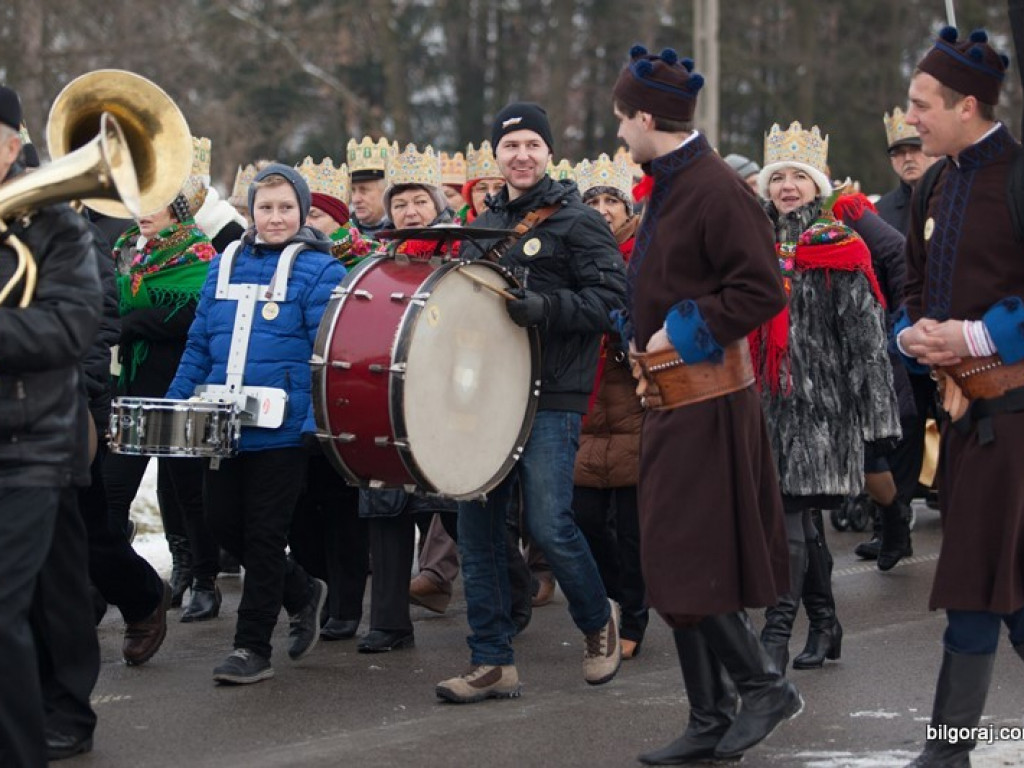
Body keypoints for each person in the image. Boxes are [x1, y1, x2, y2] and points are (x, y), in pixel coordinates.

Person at [610, 46, 800, 764]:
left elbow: (761, 289)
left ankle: (762, 687)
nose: (619, 130)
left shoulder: (716, 188)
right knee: (674, 561)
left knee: (683, 558)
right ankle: (711, 716)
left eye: (624, 118)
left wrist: (681, 330)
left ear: (649, 117)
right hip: (671, 402)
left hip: (708, 402)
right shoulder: (671, 183)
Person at [435, 101, 627, 703]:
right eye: (510, 145)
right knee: (479, 529)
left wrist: (547, 309)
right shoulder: (482, 224)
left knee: (548, 522)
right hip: (485, 396)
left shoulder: (578, 221)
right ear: (496, 155)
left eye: (531, 145)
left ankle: (598, 624)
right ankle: (491, 660)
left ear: (548, 153)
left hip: (551, 391)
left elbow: (610, 301)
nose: (521, 155)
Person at [894, 27, 1024, 766]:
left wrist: (974, 340)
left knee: (977, 585)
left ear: (966, 105)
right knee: (1000, 589)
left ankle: (948, 752)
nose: (911, 118)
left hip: (1015, 417)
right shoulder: (936, 184)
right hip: (962, 419)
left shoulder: (1018, 175)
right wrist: (914, 336)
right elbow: (915, 284)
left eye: (921, 105)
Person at [167, 164, 345, 684]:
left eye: (285, 207)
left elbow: (325, 354)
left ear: (303, 212)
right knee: (223, 525)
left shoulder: (320, 270)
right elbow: (199, 344)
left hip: (283, 430)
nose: (275, 217)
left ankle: (252, 647)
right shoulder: (223, 263)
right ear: (249, 211)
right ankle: (301, 590)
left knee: (265, 535)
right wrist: (178, 404)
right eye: (264, 208)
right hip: (223, 424)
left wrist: (315, 420)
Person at [753, 120, 901, 674]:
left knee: (791, 516)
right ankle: (825, 622)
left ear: (818, 184)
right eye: (778, 176)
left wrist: (876, 417)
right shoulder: (753, 242)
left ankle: (774, 633)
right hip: (766, 405)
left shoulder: (838, 244)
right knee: (801, 520)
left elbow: (865, 337)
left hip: (822, 409)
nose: (787, 186)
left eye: (798, 176)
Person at [0, 85, 103, 766]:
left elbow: (73, 326)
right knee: (39, 596)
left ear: (11, 145)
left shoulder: (56, 225)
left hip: (29, 443)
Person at [355, 144, 460, 653]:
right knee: (386, 501)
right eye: (401, 204)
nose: (410, 212)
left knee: (460, 509)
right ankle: (389, 622)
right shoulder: (378, 258)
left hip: (446, 399)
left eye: (420, 201)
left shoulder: (464, 253)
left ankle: (518, 593)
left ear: (438, 205)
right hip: (389, 394)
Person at [105, 174, 224, 622]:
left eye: (154, 205)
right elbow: (111, 303)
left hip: (179, 387)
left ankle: (202, 578)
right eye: (138, 204)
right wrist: (131, 319)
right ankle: (110, 582)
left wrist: (131, 322)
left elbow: (189, 317)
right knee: (112, 491)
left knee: (187, 493)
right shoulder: (129, 251)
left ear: (177, 209)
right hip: (133, 387)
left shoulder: (201, 254)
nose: (143, 213)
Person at [852, 107, 940, 564]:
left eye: (915, 148)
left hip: (946, 333)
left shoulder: (950, 194)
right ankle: (896, 523)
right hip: (897, 337)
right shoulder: (881, 210)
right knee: (902, 431)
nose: (908, 158)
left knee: (955, 433)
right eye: (899, 152)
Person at [571, 152, 648, 660]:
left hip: (634, 402)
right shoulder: (570, 254)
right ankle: (608, 605)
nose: (602, 209)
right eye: (592, 200)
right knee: (584, 519)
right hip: (584, 401)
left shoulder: (646, 254)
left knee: (632, 528)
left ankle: (635, 614)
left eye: (611, 201)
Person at [290, 155, 370, 641]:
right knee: (299, 508)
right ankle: (309, 593)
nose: (305, 224)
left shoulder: (364, 263)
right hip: (293, 397)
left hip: (341, 397)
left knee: (341, 508)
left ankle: (344, 603)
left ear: (339, 221)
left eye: (316, 215)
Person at [347, 137, 394, 237]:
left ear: (386, 193)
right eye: (353, 190)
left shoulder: (402, 232)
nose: (355, 199)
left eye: (364, 190)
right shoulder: (341, 237)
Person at [461, 141, 506, 223]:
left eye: (499, 188)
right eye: (482, 189)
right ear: (470, 196)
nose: (491, 195)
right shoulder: (454, 233)